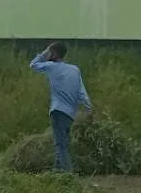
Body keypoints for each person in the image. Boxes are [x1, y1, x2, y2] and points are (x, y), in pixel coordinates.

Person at [28, 42, 93, 173]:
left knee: (60, 144)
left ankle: (68, 173)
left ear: (55, 54)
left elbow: (33, 65)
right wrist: (88, 109)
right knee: (63, 142)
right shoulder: (75, 69)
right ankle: (57, 171)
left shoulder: (51, 67)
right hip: (71, 113)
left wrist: (43, 53)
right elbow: (82, 92)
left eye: (50, 52)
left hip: (57, 110)